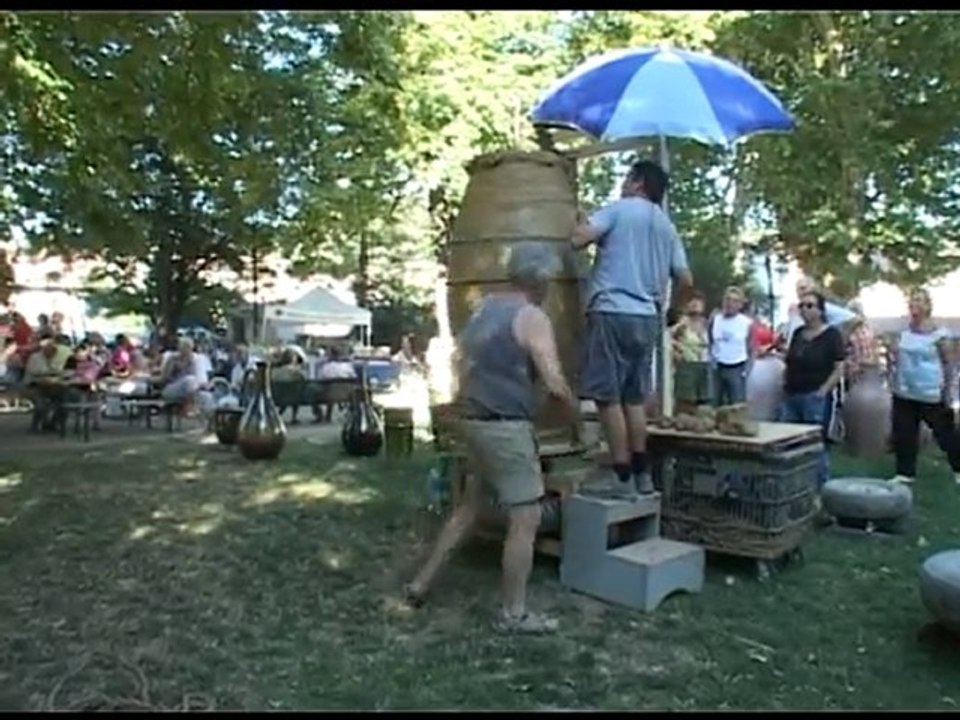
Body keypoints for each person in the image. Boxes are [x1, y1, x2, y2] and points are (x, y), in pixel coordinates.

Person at [404, 242, 578, 634]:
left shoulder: (484, 310)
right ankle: (513, 614)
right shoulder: (531, 317)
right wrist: (576, 420)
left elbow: (459, 362)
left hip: (473, 420)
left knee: (470, 506)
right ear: (543, 280)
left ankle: (421, 583)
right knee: (527, 515)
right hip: (504, 426)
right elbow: (554, 381)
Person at [571, 159, 693, 496]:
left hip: (611, 311)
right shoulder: (667, 226)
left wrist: (580, 220)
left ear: (638, 182)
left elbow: (578, 240)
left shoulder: (619, 210)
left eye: (627, 178)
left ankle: (620, 476)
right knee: (634, 398)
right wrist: (673, 312)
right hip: (647, 317)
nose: (623, 183)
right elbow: (685, 278)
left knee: (607, 398)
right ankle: (642, 476)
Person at [887, 289, 960, 486]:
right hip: (904, 392)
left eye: (918, 301)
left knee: (946, 434)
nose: (913, 304)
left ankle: (958, 468)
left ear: (928, 306)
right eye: (911, 301)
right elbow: (893, 358)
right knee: (904, 434)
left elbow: (949, 363)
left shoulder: (940, 334)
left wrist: (947, 390)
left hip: (931, 394)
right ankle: (905, 473)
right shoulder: (903, 332)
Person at [779, 290, 846, 488]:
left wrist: (823, 392)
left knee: (815, 443)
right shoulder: (799, 333)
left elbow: (839, 367)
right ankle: (792, 484)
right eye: (802, 305)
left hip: (814, 396)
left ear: (820, 311)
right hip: (791, 395)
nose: (804, 309)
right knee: (787, 440)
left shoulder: (831, 335)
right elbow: (790, 361)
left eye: (809, 306)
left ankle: (820, 488)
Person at [708, 286, 753, 406]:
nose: (730, 304)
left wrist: (747, 370)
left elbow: (752, 348)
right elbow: (710, 341)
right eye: (727, 299)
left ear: (740, 305)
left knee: (737, 405)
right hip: (717, 366)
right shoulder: (715, 320)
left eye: (735, 301)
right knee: (714, 403)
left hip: (737, 367)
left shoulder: (746, 323)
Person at [671, 292, 711, 414]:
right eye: (691, 301)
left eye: (698, 301)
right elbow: (667, 338)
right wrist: (676, 350)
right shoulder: (682, 324)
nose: (695, 304)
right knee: (686, 401)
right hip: (687, 364)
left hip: (704, 365)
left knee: (704, 400)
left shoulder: (707, 323)